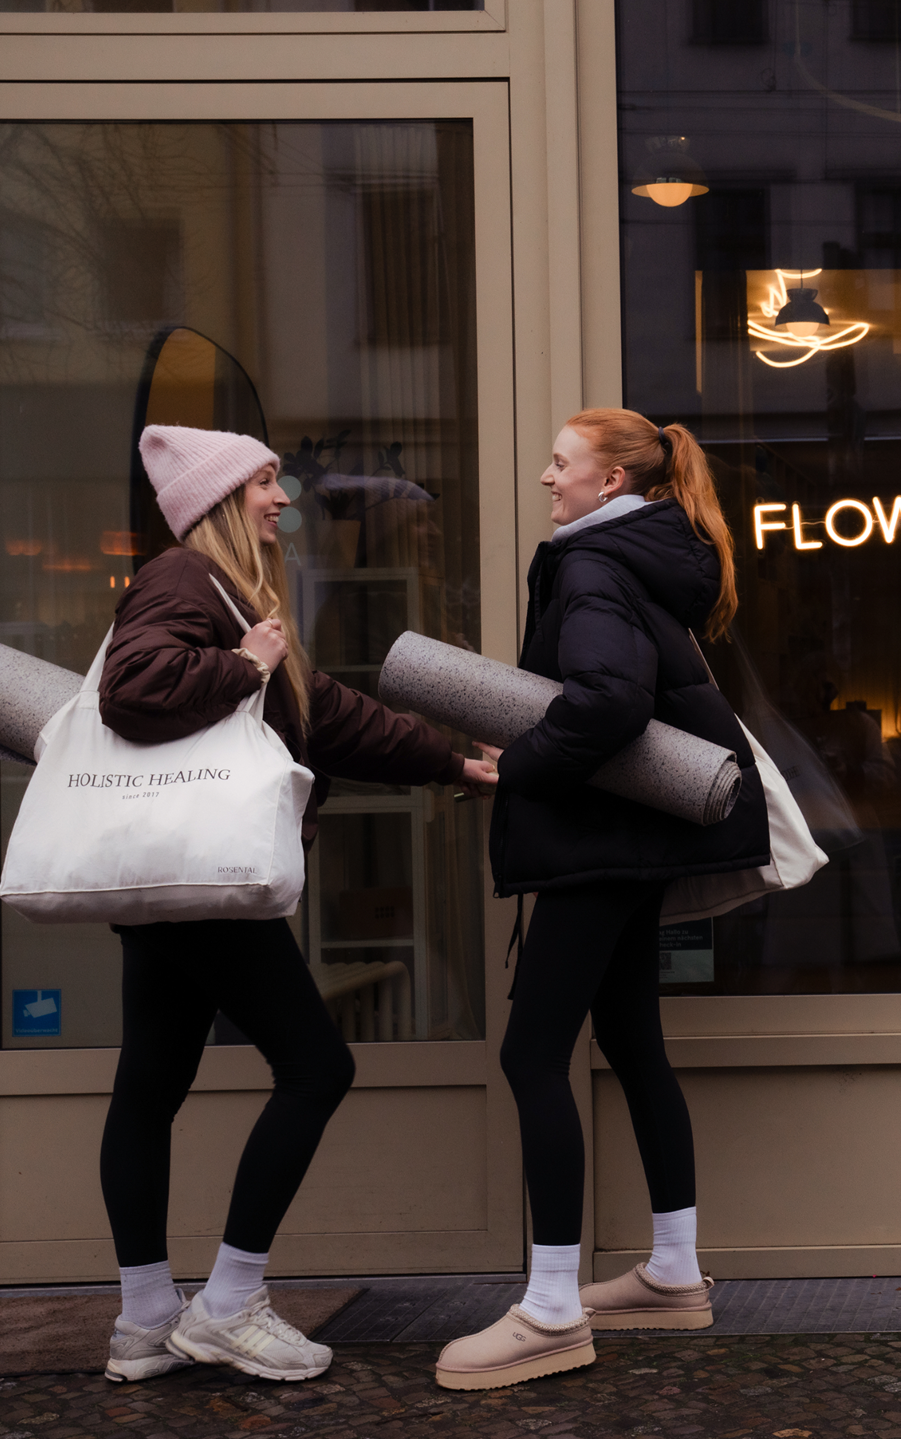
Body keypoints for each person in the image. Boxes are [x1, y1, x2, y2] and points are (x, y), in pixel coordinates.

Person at [99, 425, 496, 1384]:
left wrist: (449, 762)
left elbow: (330, 716)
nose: (282, 499)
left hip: (178, 881)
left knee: (149, 1089)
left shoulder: (236, 596)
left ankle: (146, 1320)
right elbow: (132, 686)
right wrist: (246, 660)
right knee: (317, 1066)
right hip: (206, 886)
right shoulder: (183, 580)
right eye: (265, 483)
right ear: (220, 501)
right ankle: (231, 1302)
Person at [434, 409, 770, 1391]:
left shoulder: (591, 568)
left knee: (533, 1052)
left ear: (611, 483)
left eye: (560, 463)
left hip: (595, 847)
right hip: (630, 845)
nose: (547, 479)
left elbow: (609, 701)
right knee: (631, 1044)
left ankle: (548, 1313)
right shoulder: (643, 559)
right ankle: (670, 1272)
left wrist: (519, 767)